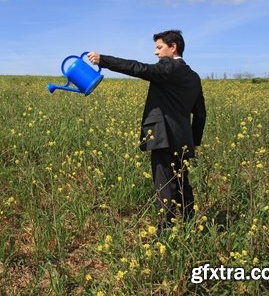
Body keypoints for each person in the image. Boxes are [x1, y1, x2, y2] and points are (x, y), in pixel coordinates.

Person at [87, 30, 206, 235]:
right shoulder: (194, 77)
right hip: (183, 140)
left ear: (173, 47)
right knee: (182, 184)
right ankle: (189, 227)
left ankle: (164, 235)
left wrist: (103, 60)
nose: (156, 53)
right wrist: (192, 141)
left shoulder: (168, 67)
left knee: (164, 187)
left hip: (163, 137)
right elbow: (201, 113)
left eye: (159, 47)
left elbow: (138, 68)